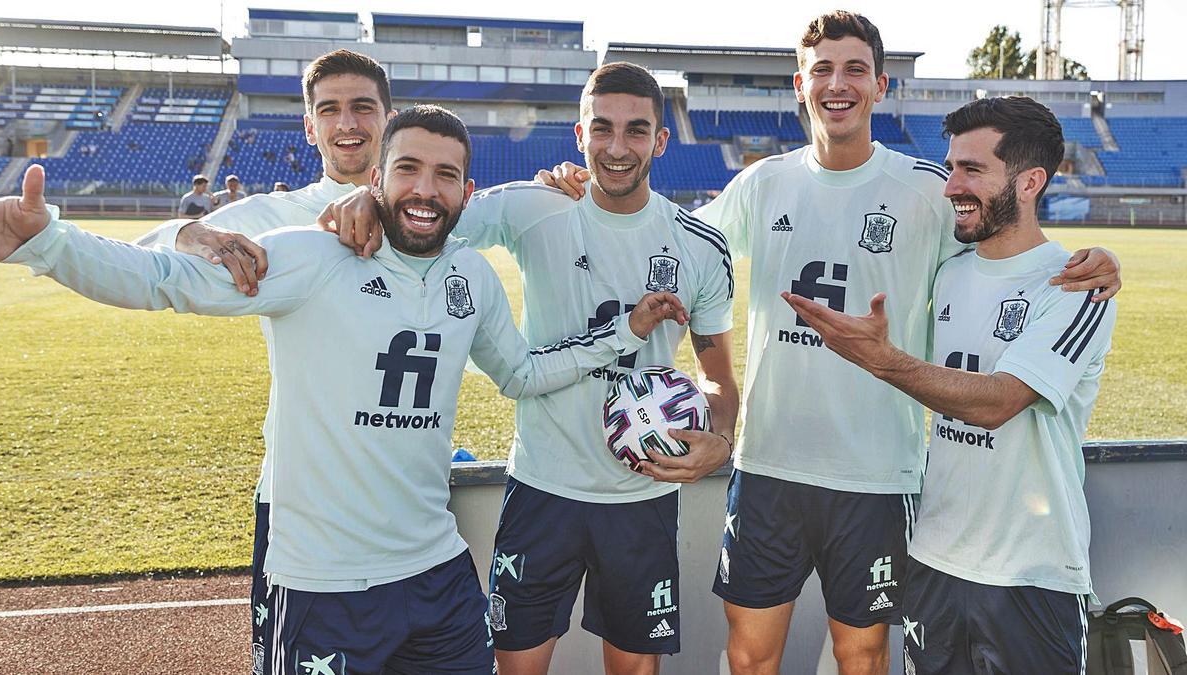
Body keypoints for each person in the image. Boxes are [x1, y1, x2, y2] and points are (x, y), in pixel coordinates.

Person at [0, 105, 688, 675]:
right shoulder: (311, 257)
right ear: (374, 179)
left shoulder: (469, 279)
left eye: (446, 176)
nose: (426, 189)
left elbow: (523, 374)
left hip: (438, 574)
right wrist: (46, 241)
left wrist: (625, 328)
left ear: (466, 195)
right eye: (408, 168)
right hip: (324, 584)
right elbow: (160, 281)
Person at [536, 11, 1121, 675]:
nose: (836, 83)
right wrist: (591, 194)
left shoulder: (933, 189)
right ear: (800, 83)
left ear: (878, 87)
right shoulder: (764, 182)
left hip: (877, 473)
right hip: (769, 467)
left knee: (863, 655)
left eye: (854, 69)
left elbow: (1007, 245)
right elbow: (673, 246)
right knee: (750, 655)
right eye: (822, 69)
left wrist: (1093, 260)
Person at [319, 62, 740, 675]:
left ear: (661, 139)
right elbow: (428, 209)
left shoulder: (700, 247)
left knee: (636, 668)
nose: (617, 149)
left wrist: (720, 438)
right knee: (515, 667)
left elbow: (718, 375)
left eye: (636, 130)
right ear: (579, 134)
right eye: (602, 129)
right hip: (543, 487)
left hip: (640, 495)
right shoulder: (532, 207)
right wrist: (365, 193)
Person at [786, 96, 1115, 675]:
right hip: (933, 562)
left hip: (1030, 575)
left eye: (972, 170)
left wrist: (885, 361)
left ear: (1030, 182)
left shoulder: (1075, 287)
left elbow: (1001, 402)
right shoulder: (950, 270)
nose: (950, 186)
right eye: (950, 167)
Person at [130, 48, 398, 675]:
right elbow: (142, 259)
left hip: (406, 496)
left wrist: (556, 184)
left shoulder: (429, 214)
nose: (347, 123)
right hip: (298, 499)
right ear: (310, 126)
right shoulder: (276, 215)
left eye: (363, 106)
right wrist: (185, 233)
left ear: (389, 117)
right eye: (329, 110)